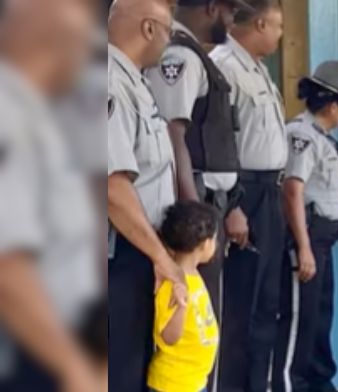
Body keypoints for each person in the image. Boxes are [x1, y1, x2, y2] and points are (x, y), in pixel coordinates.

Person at [144, 1, 252, 389]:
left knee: (214, 311)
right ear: (210, 8)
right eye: (229, 12)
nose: (232, 20)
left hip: (213, 201)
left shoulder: (197, 57)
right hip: (199, 202)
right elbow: (175, 134)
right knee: (197, 313)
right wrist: (196, 214)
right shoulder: (180, 56)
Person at [0, 0, 100, 391]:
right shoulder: (8, 114)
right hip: (30, 356)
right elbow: (8, 264)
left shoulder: (38, 113)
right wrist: (71, 367)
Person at [108, 1, 189, 391]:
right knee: (119, 370)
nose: (169, 42)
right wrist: (161, 257)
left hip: (142, 250)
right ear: (148, 29)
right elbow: (111, 186)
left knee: (138, 366)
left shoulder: (135, 80)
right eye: (169, 31)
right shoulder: (108, 79)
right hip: (120, 255)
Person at [209, 2, 286, 390]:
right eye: (278, 26)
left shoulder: (258, 69)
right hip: (244, 193)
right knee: (240, 307)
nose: (280, 34)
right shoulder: (224, 65)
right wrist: (233, 207)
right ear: (259, 23)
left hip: (269, 193)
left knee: (266, 304)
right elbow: (219, 144)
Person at [272, 61, 338, 392]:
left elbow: (320, 183)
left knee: (320, 316)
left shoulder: (323, 138)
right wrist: (304, 247)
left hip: (325, 239)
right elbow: (292, 190)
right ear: (334, 104)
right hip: (306, 239)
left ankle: (319, 381)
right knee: (300, 319)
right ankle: (292, 384)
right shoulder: (302, 135)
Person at [148, 201, 221, 392]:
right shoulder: (173, 283)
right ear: (205, 244)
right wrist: (181, 307)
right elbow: (168, 337)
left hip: (193, 381)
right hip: (174, 384)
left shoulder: (193, 276)